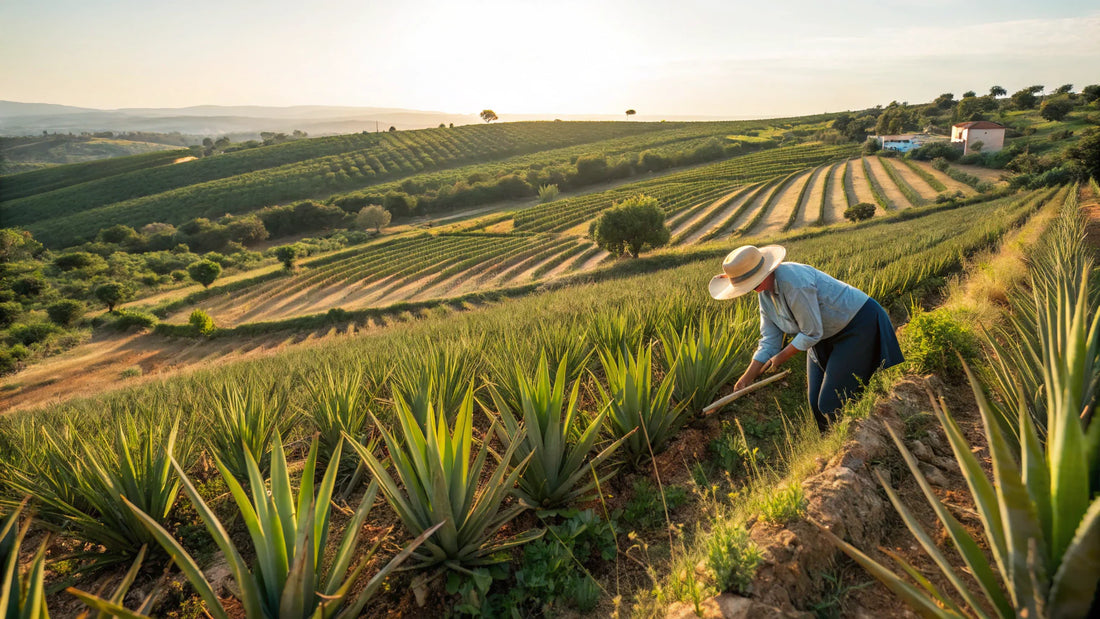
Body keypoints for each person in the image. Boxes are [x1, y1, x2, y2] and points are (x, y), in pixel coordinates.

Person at [708, 244, 903, 431]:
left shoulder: (794, 283)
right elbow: (770, 339)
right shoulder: (765, 295)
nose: (752, 288)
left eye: (752, 283)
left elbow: (811, 332)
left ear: (766, 271)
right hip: (822, 335)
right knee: (815, 403)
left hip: (855, 325)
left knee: (830, 403)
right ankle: (830, 446)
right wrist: (746, 378)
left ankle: (855, 443)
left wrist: (781, 357)